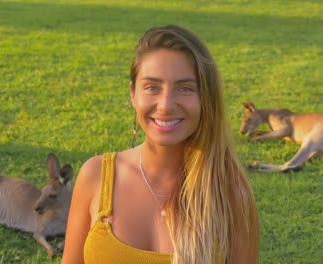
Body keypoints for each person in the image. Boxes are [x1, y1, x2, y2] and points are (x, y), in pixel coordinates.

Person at [61, 25, 259, 264]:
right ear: (133, 94)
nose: (165, 105)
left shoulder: (229, 191)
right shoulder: (95, 176)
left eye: (185, 88)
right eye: (152, 87)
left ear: (206, 98)